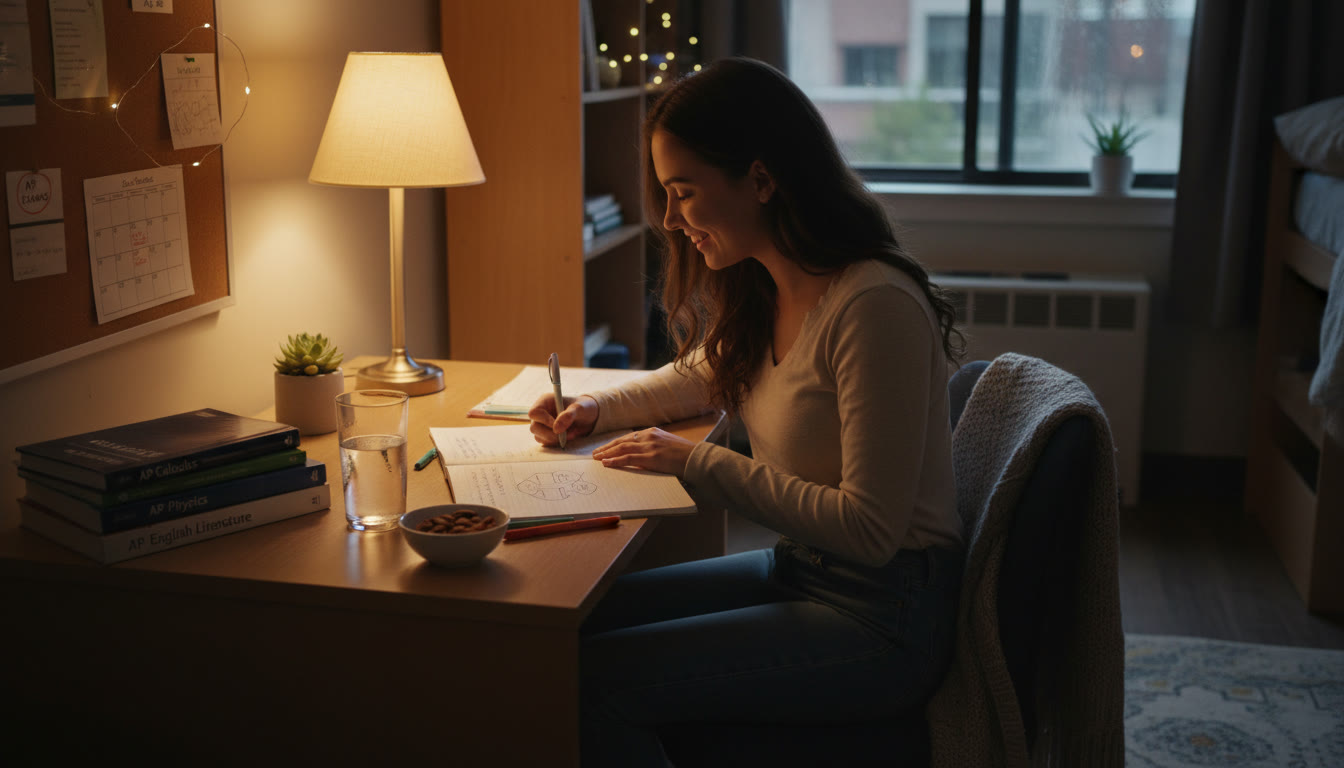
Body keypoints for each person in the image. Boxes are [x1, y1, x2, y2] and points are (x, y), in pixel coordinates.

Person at [527, 57, 965, 766]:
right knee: (564, 630)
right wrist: (590, 407)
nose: (671, 220)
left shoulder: (870, 305)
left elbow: (873, 530)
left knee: (594, 683)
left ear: (761, 180)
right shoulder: (771, 286)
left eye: (685, 192)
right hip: (804, 571)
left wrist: (702, 465)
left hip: (884, 617)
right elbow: (697, 377)